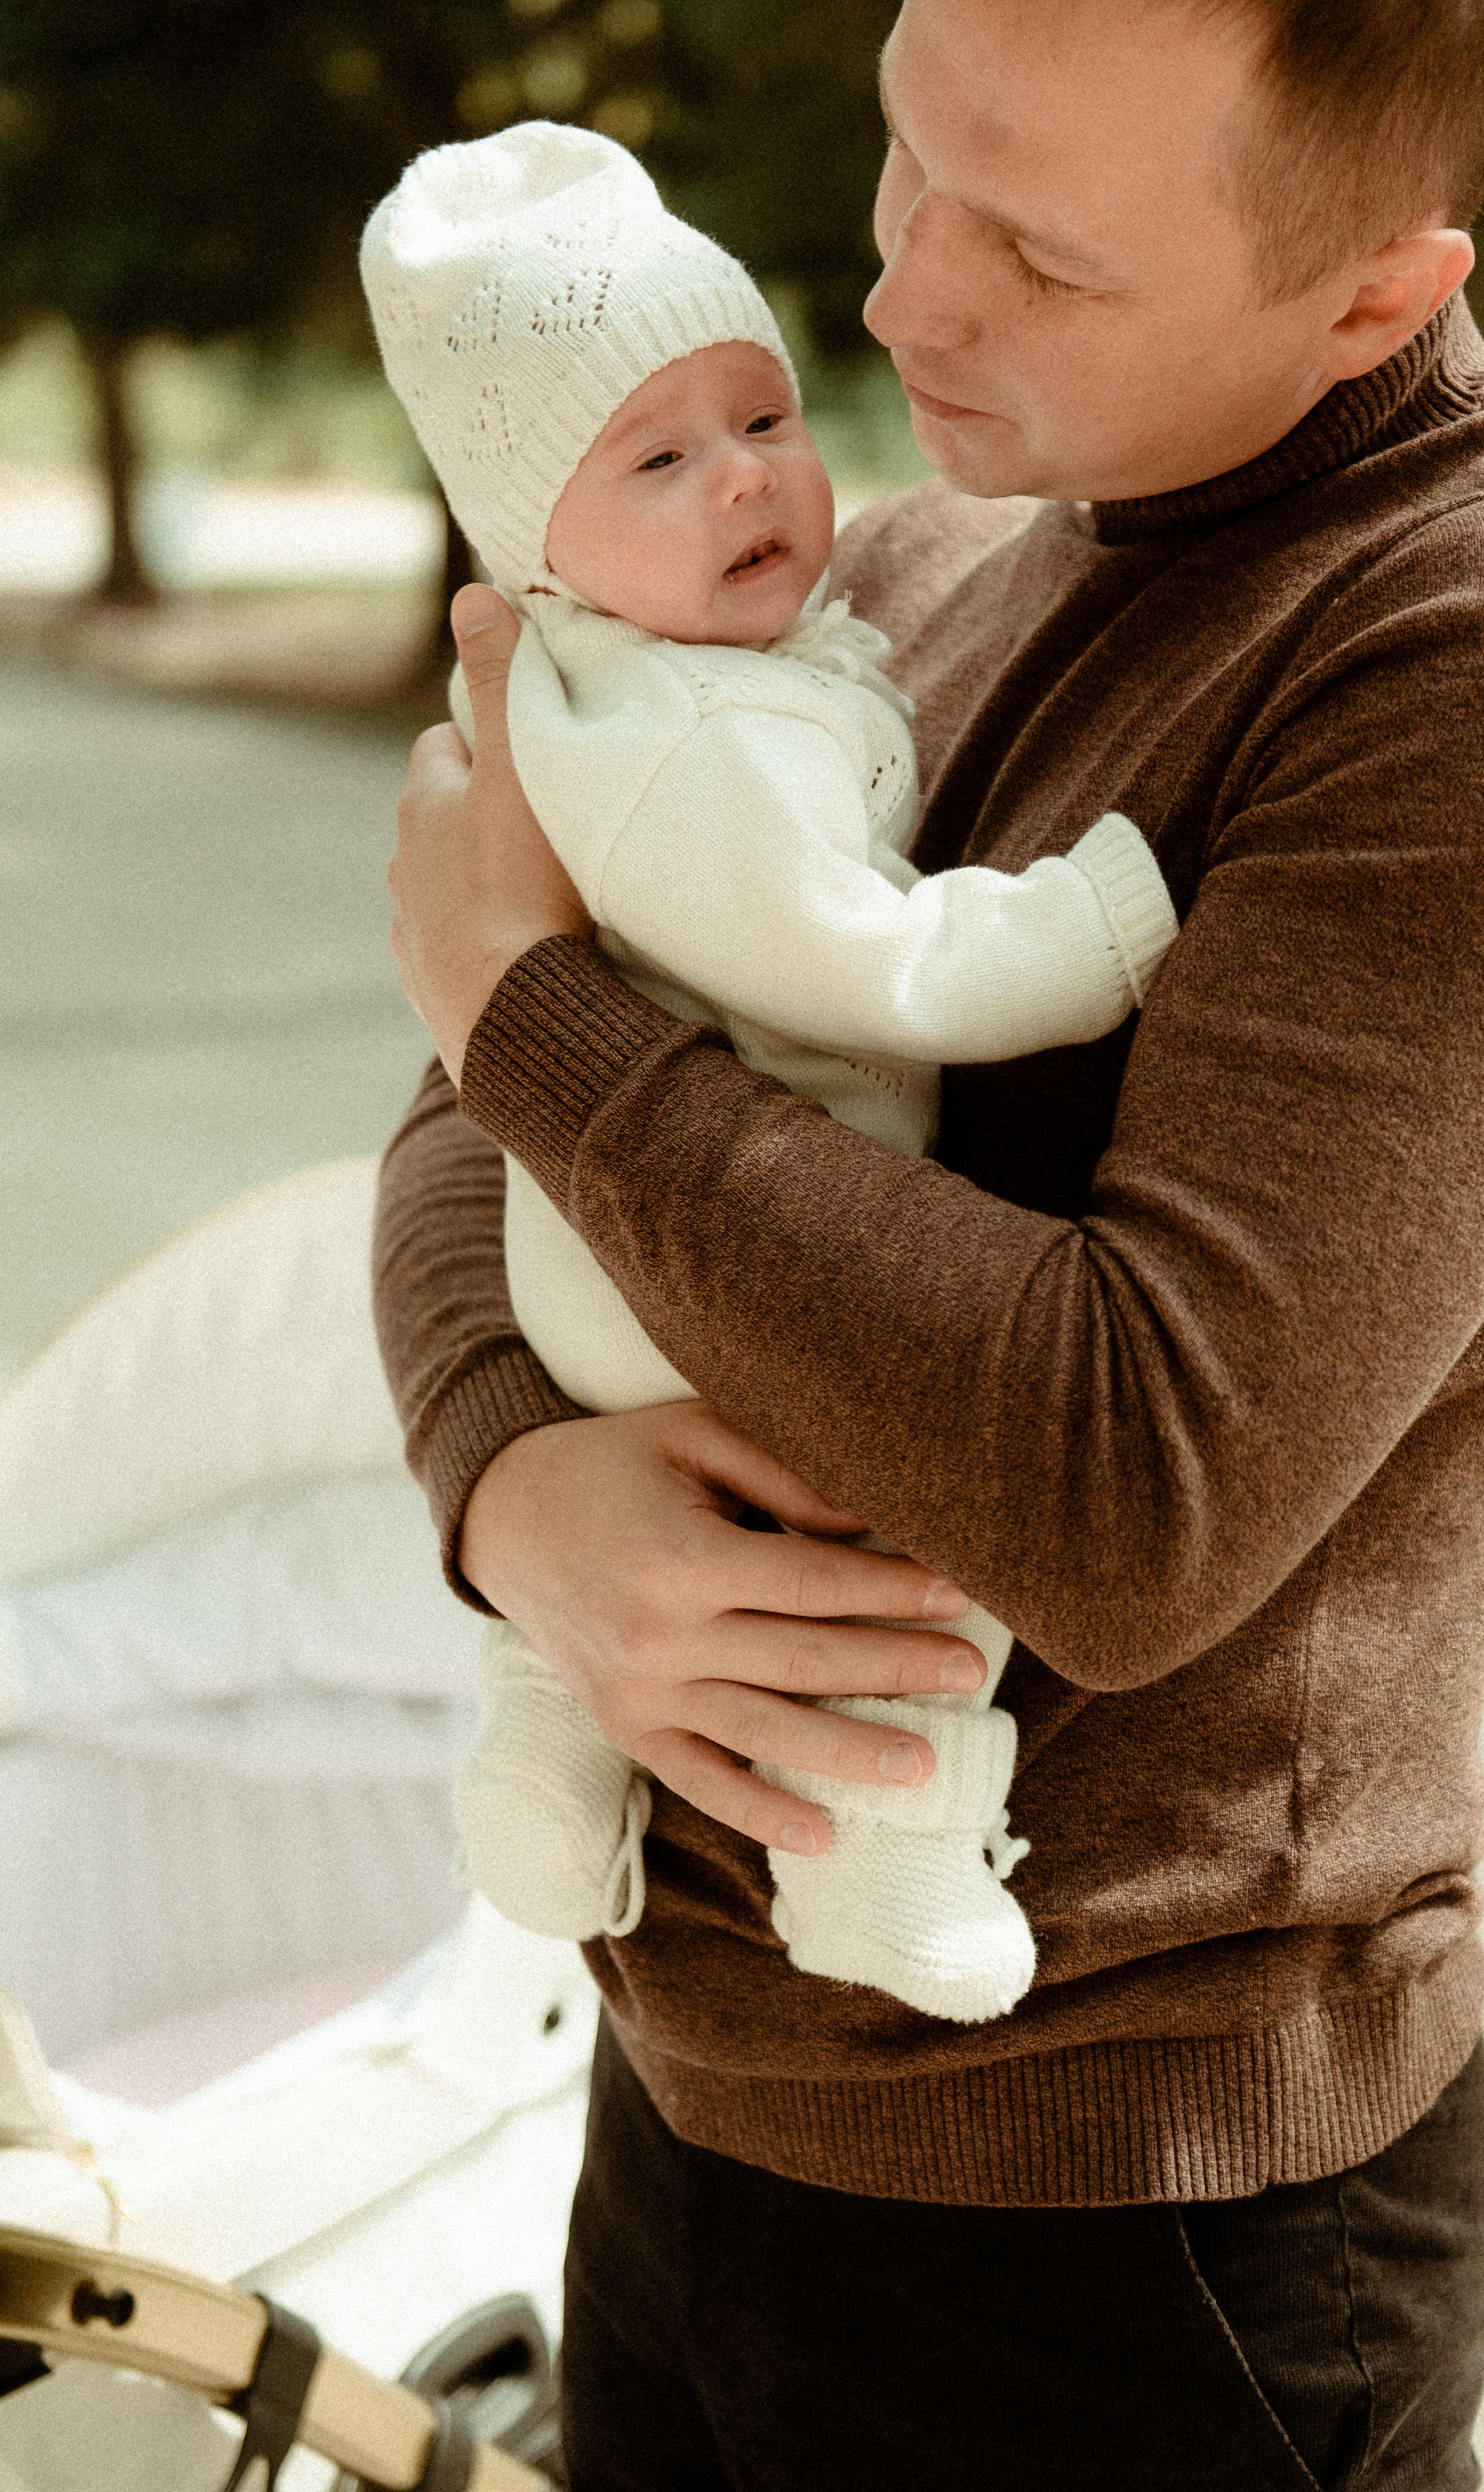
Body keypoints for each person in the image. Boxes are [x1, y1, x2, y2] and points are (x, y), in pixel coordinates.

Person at [376, 0, 1484, 2481]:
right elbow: (467, 1126)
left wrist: (524, 1006)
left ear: (1378, 295)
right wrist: (514, 1491)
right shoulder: (895, 569)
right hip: (691, 2099)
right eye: (911, 149)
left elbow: (1128, 1488)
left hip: (1133, 2233)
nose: (902, 286)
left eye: (1041, 246)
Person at [359, 123, 1176, 2023]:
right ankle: (884, 1849)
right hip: (686, 1279)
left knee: (724, 1529)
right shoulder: (692, 731)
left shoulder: (627, 672)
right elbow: (857, 953)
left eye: (763, 417)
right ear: (528, 536)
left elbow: (488, 1006)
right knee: (894, 1519)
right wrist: (1092, 923)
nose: (744, 476)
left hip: (591, 1264)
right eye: (656, 458)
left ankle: (547, 1752)